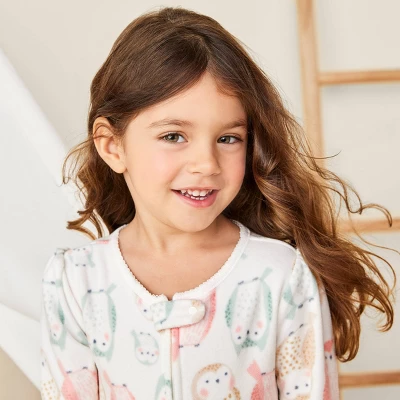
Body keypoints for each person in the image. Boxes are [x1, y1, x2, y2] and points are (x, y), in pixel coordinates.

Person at [39, 6, 397, 400]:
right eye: (174, 136)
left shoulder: (280, 276)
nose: (207, 164)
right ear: (112, 146)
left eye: (228, 139)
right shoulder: (75, 281)